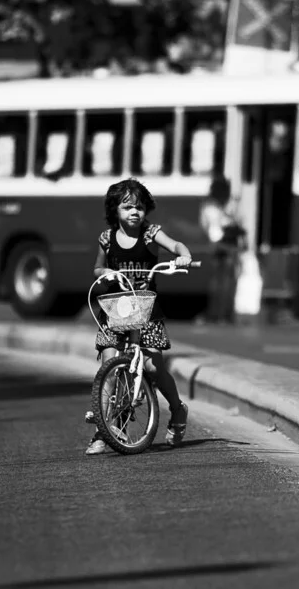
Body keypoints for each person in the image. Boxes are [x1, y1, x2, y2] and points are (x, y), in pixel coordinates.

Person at [84, 178, 194, 455]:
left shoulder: (150, 233)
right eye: (128, 207)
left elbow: (177, 245)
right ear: (115, 211)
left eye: (140, 207)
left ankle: (178, 410)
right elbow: (97, 268)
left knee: (153, 368)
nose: (135, 212)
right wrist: (106, 273)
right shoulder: (107, 238)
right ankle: (103, 429)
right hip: (116, 308)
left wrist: (184, 255)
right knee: (109, 364)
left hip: (146, 311)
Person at [199, 176, 243, 324]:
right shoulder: (211, 208)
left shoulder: (224, 207)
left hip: (227, 248)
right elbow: (215, 233)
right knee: (220, 283)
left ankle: (226, 313)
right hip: (221, 249)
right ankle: (218, 314)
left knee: (227, 282)